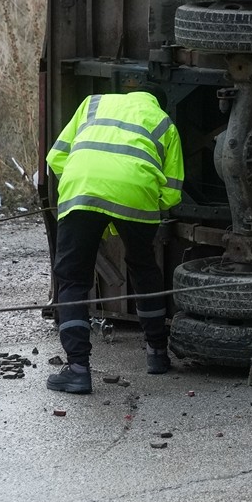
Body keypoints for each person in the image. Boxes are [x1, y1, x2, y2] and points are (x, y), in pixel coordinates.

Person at [44, 85, 184, 394]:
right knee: (144, 266)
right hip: (137, 193)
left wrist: (87, 190)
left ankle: (78, 370)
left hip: (82, 188)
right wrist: (144, 210)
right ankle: (157, 354)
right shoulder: (163, 122)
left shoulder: (92, 103)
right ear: (157, 103)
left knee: (73, 280)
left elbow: (55, 157)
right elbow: (172, 192)